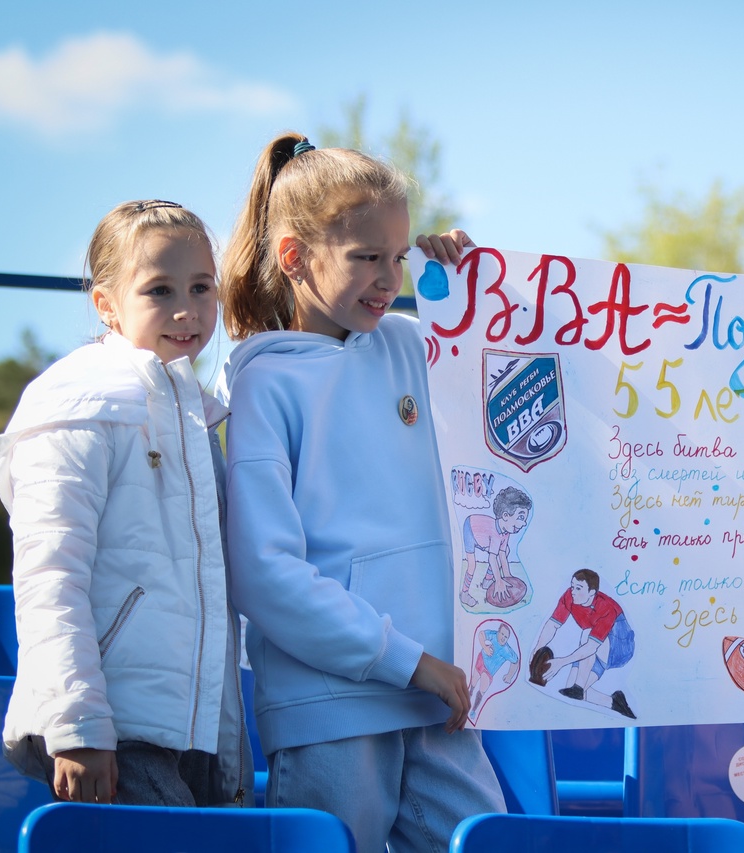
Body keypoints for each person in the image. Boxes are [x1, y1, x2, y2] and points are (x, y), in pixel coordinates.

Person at [216, 133, 504, 852]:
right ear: (294, 257)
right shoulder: (263, 385)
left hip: (444, 697)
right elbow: (265, 573)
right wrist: (406, 660)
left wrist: (469, 292)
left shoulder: (412, 343)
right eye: (367, 257)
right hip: (331, 707)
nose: (389, 277)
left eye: (399, 256)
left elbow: (514, 407)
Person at [0, 200, 252, 806]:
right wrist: (79, 725)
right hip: (113, 729)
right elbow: (50, 575)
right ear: (106, 304)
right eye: (160, 290)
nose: (187, 310)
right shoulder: (76, 404)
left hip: (190, 728)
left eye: (201, 287)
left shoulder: (195, 418)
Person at [531, 569, 636, 719]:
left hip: (620, 646)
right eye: (572, 586)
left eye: (578, 588)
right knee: (569, 689)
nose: (573, 592)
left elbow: (591, 646)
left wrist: (561, 662)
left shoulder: (606, 607)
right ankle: (615, 702)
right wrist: (537, 649)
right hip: (593, 647)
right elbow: (552, 625)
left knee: (587, 634)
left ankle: (579, 688)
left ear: (592, 592)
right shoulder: (569, 596)